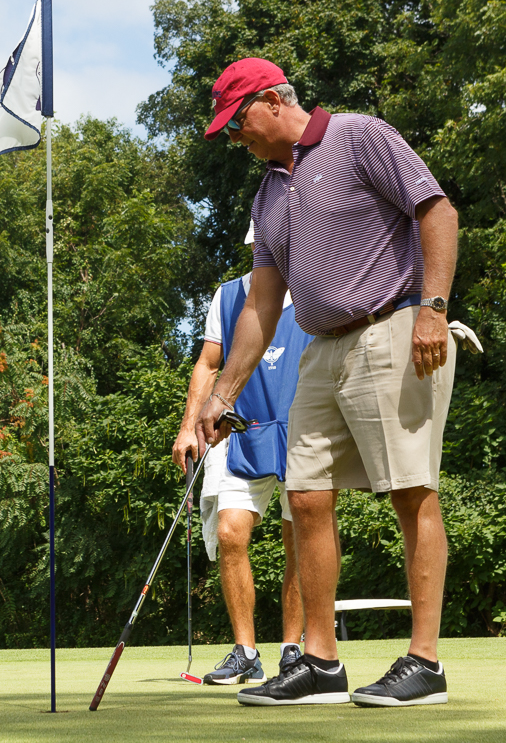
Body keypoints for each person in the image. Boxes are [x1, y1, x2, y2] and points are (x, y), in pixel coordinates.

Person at [194, 58, 460, 707]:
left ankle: (424, 662)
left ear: (274, 99)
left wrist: (434, 308)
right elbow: (260, 307)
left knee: (410, 491)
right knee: (305, 497)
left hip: (395, 328)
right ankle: (319, 661)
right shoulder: (268, 193)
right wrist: (220, 395)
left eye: (239, 122)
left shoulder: (358, 136)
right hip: (320, 347)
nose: (237, 137)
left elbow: (438, 210)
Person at [172, 221, 313, 686]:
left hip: (304, 427)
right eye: (262, 243)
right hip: (241, 428)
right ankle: (246, 651)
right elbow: (209, 364)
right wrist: (189, 426)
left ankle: (293, 650)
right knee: (231, 534)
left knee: (300, 539)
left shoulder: (317, 289)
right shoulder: (229, 295)